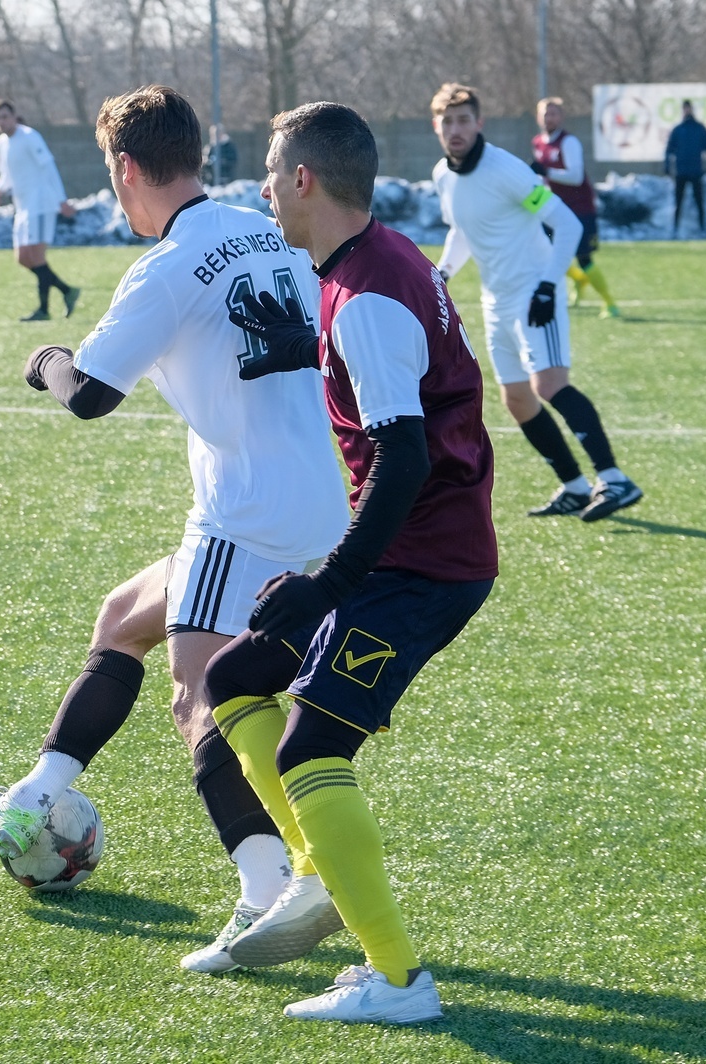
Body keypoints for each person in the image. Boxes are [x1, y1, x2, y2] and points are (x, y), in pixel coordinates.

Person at [0, 86, 350, 973]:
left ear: (126, 168)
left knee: (199, 697)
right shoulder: (262, 228)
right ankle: (33, 797)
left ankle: (269, 887)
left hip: (244, 516)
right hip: (319, 499)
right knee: (123, 617)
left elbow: (89, 395)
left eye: (111, 171)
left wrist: (45, 359)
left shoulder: (166, 267)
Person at [203, 99, 495, 1025]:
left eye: (270, 173)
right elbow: (405, 370)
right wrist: (306, 345)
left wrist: (329, 581)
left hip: (422, 569)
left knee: (311, 747)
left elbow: (404, 456)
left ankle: (399, 982)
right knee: (232, 677)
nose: (262, 190)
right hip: (404, 555)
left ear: (304, 179)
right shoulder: (375, 260)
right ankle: (314, 874)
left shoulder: (365, 297)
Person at [430, 82, 641, 521]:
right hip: (495, 300)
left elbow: (567, 225)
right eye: (447, 122)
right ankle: (575, 486)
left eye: (463, 120)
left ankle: (615, 478)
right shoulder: (442, 176)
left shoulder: (507, 170)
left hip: (533, 291)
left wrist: (547, 286)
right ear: (436, 126)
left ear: (479, 123)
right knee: (517, 399)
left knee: (549, 385)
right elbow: (462, 229)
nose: (455, 130)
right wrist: (443, 272)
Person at [0, 99, 80, 321]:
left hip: (41, 204)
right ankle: (67, 290)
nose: (2, 122)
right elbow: (7, 175)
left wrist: (61, 200)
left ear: (14, 116)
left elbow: (49, 168)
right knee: (23, 258)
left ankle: (43, 310)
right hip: (22, 207)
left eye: (5, 116)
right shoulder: (2, 142)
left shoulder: (30, 137)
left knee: (36, 256)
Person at [532, 97, 618, 317]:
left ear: (561, 117)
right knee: (546, 252)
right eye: (545, 114)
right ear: (538, 117)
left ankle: (609, 303)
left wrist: (547, 172)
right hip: (554, 209)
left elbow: (576, 176)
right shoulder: (538, 142)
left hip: (580, 208)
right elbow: (543, 179)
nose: (549, 118)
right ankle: (580, 280)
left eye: (553, 113)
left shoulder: (569, 142)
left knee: (584, 258)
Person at [664, 99, 706, 236]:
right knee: (678, 202)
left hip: (696, 171)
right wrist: (667, 167)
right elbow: (669, 150)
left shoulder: (699, 129)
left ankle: (703, 228)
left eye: (688, 108)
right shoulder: (678, 130)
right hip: (681, 171)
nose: (687, 111)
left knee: (699, 202)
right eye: (685, 108)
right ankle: (675, 229)